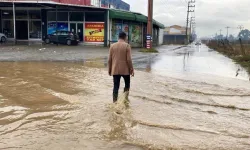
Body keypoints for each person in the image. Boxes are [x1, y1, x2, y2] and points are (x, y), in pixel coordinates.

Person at [108, 32, 134, 103]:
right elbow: (129, 59)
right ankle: (125, 99)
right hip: (125, 70)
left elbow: (109, 60)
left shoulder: (112, 46)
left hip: (115, 70)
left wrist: (110, 70)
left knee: (116, 87)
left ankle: (114, 102)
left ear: (118, 37)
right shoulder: (127, 46)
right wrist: (131, 69)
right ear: (125, 37)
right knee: (127, 85)